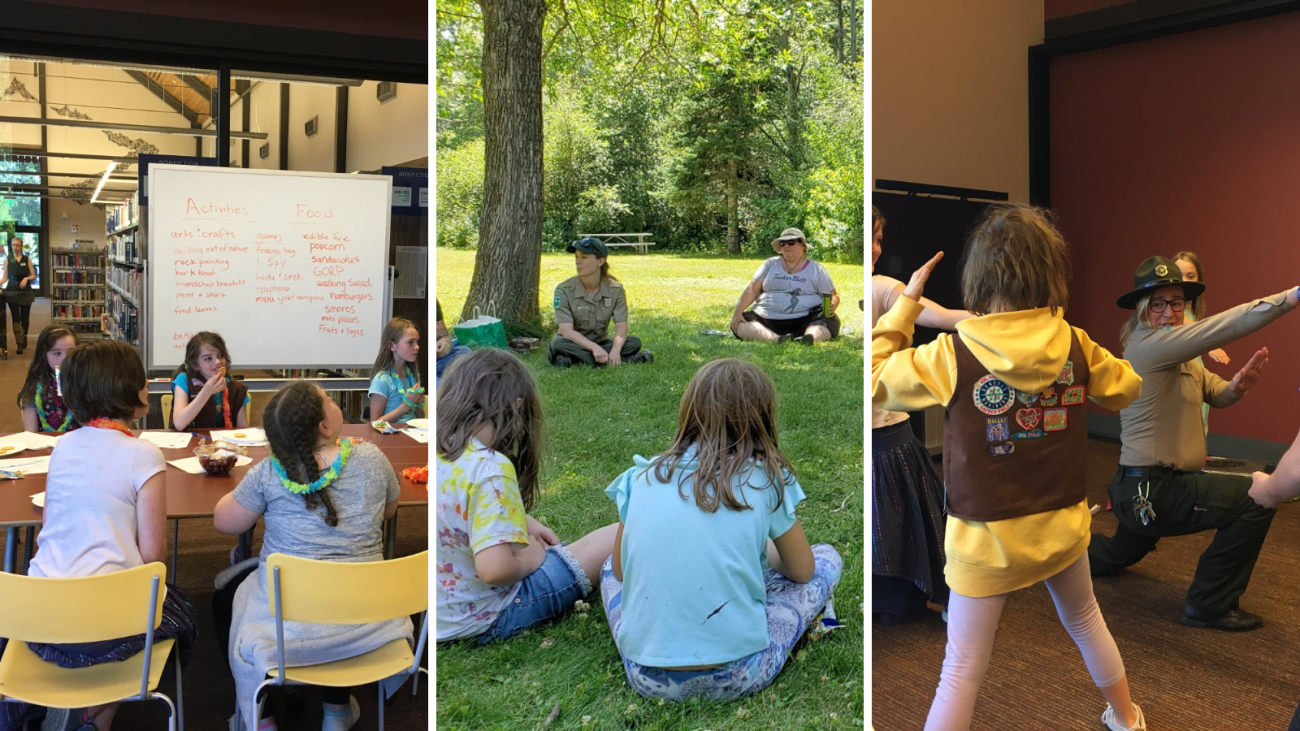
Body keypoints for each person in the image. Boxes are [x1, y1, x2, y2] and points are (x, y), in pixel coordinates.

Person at [873, 203, 1146, 731]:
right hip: (1062, 529)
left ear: (976, 278)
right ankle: (1128, 718)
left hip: (984, 543)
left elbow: (877, 377)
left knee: (961, 669)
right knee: (1088, 622)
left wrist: (906, 304)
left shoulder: (951, 354)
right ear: (1050, 276)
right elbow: (1127, 389)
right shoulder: (1076, 342)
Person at [599, 358, 842, 701]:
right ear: (762, 419)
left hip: (644, 673)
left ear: (688, 412)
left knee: (608, 566)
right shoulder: (767, 479)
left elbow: (622, 570)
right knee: (827, 559)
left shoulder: (640, 476)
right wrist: (762, 553)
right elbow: (803, 571)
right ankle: (819, 620)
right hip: (739, 672)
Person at [1089, 255, 1297, 631]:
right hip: (1152, 490)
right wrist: (1293, 296)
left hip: (1140, 490)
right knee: (1258, 497)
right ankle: (1209, 604)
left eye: (1177, 303)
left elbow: (1213, 393)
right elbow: (1224, 327)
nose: (1169, 313)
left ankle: (1063, 558)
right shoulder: (1147, 346)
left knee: (1113, 554)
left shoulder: (1182, 356)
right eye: (1158, 304)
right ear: (1141, 310)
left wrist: (1236, 387)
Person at [213, 381, 413, 731]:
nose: (335, 404)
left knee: (225, 596)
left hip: (288, 622)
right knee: (343, 587)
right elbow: (389, 511)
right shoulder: (369, 456)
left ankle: (262, 718)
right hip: (368, 618)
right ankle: (336, 712)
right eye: (329, 401)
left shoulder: (270, 472)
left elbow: (225, 522)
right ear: (325, 426)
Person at [28, 339, 198, 731]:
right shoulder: (142, 452)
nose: (148, 386)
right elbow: (154, 557)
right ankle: (99, 711)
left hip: (39, 618)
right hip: (107, 624)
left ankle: (86, 712)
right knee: (180, 613)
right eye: (141, 380)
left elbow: (48, 529)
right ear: (122, 389)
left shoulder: (63, 447)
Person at [436, 348, 618, 642]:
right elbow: (495, 570)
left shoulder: (440, 452)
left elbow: (460, 510)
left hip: (441, 615)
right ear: (516, 407)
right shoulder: (490, 467)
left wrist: (524, 520)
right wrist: (531, 558)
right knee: (619, 533)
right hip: (488, 616)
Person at [870, 206, 972, 624]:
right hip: (871, 443)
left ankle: (938, 598)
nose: (876, 249)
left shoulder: (881, 286)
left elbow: (944, 317)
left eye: (879, 239)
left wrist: (1003, 321)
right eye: (871, 238)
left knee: (919, 528)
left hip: (892, 438)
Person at [548, 237, 653, 368]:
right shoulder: (564, 290)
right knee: (557, 345)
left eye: (584, 257)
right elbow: (567, 331)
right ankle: (628, 360)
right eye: (576, 257)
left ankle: (572, 360)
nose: (578, 262)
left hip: (602, 343)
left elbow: (621, 327)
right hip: (573, 343)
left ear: (600, 261)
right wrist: (593, 349)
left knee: (633, 343)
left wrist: (616, 350)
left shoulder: (615, 289)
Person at [730, 227, 841, 345]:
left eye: (791, 242)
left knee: (830, 321)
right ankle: (777, 339)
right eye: (783, 243)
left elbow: (833, 295)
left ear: (802, 245)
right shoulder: (770, 264)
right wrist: (738, 312)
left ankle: (809, 337)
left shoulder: (816, 269)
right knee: (740, 323)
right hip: (767, 319)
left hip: (806, 318)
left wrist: (833, 304)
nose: (786, 246)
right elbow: (753, 289)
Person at [1173, 251, 1228, 435]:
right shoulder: (1171, 314)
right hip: (1179, 384)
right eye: (1179, 275)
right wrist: (1209, 344)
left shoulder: (1194, 316)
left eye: (1190, 276)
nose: (1185, 281)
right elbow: (1187, 327)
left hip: (1197, 379)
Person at [170, 332, 249, 431]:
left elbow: (243, 431)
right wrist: (206, 392)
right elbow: (179, 424)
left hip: (223, 444)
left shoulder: (236, 389)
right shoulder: (184, 380)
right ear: (195, 364)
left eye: (221, 355)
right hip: (191, 443)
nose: (217, 362)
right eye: (208, 358)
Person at [17, 325, 79, 433]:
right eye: (57, 353)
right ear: (44, 356)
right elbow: (30, 433)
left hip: (79, 445)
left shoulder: (85, 382)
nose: (65, 359)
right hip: (44, 446)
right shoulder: (35, 387)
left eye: (71, 352)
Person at [368, 317, 425, 422]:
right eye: (410, 342)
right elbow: (375, 423)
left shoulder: (411, 376)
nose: (417, 347)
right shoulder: (381, 380)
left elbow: (420, 417)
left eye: (417, 342)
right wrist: (406, 405)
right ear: (392, 346)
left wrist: (418, 403)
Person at [0, 236, 36, 356]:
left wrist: (26, 278)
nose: (15, 247)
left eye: (17, 245)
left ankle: (24, 336)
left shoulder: (27, 259)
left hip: (26, 291)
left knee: (24, 318)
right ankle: (19, 343)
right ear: (11, 246)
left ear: (21, 246)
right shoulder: (7, 260)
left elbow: (33, 275)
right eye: (13, 245)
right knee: (16, 317)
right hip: (12, 291)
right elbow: (5, 277)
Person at [435, 300, 469, 389]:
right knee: (442, 386)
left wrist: (445, 342)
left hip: (439, 359)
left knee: (465, 351)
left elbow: (443, 334)